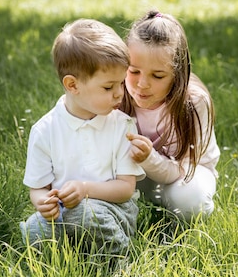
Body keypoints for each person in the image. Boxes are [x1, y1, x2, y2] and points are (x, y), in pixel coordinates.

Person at [20, 18, 146, 255]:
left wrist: (84, 189)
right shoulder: (45, 130)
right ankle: (74, 249)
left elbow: (125, 189)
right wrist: (42, 203)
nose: (120, 93)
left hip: (114, 210)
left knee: (85, 214)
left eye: (121, 83)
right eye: (108, 87)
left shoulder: (122, 126)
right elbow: (38, 188)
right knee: (33, 231)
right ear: (73, 85)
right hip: (63, 212)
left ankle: (119, 259)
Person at [120, 10, 220, 224]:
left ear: (177, 74)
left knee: (190, 201)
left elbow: (182, 167)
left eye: (157, 75)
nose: (142, 84)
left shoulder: (193, 103)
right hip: (131, 174)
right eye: (134, 71)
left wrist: (148, 158)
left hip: (185, 174)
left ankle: (167, 209)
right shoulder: (115, 92)